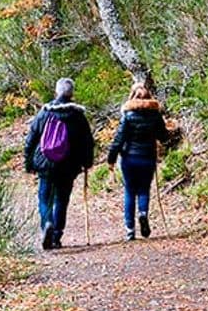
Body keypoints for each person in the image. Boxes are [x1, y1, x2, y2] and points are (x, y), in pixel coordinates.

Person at [24, 77, 95, 250]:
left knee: (44, 198)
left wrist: (29, 163)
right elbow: (88, 142)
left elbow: (31, 140)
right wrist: (87, 162)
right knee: (62, 200)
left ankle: (47, 223)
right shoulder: (78, 116)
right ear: (72, 94)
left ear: (57, 92)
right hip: (69, 165)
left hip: (46, 163)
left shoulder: (44, 112)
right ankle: (56, 236)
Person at [106, 81, 170, 241]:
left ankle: (130, 229)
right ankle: (143, 213)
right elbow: (164, 136)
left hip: (129, 158)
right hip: (148, 156)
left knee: (129, 191)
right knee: (144, 190)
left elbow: (119, 138)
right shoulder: (155, 115)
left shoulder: (127, 115)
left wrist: (111, 158)